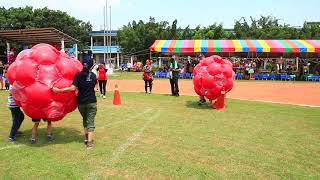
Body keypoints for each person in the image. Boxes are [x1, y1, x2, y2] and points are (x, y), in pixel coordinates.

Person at [52, 63, 97, 149]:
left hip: (81, 102)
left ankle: (86, 138)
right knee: (90, 121)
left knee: (85, 119)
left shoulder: (78, 75)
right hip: (91, 101)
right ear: (91, 66)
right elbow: (93, 86)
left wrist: (59, 90)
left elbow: (73, 88)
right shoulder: (94, 75)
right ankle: (89, 143)